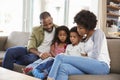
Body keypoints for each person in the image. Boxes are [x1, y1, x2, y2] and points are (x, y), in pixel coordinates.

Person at [47, 10, 111, 80]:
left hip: (101, 66)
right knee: (63, 67)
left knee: (60, 57)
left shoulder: (98, 33)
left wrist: (86, 55)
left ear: (88, 27)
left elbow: (95, 55)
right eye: (77, 27)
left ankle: (50, 78)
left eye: (80, 28)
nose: (78, 30)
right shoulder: (85, 39)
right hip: (89, 66)